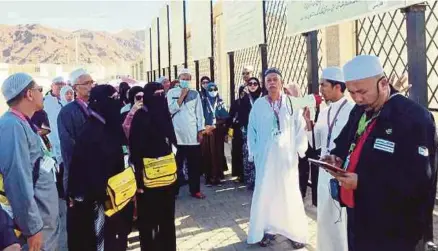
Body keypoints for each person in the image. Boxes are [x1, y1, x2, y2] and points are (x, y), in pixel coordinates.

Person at [323, 55, 437, 251]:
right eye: (351, 92)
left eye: (362, 91)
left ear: (383, 83)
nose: (357, 98)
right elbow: (344, 143)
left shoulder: (414, 118)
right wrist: (336, 158)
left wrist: (363, 182)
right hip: (359, 216)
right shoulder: (360, 109)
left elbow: (419, 180)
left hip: (396, 229)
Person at [246, 68, 308, 249]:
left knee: (289, 193)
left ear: (281, 82)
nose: (272, 83)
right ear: (265, 84)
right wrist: (254, 152)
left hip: (287, 160)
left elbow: (300, 127)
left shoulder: (291, 103)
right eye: (268, 80)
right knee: (266, 193)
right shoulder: (258, 105)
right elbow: (252, 130)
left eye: (275, 79)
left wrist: (299, 149)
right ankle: (265, 230)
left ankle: (294, 232)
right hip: (265, 159)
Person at [0, 73, 60, 251]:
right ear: (29, 94)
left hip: (44, 222)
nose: (42, 93)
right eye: (39, 90)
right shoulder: (12, 126)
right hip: (35, 228)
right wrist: (32, 228)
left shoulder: (23, 123)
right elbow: (18, 180)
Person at [67, 84, 130, 251]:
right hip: (97, 203)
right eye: (114, 99)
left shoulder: (110, 127)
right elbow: (83, 171)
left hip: (113, 198)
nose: (118, 103)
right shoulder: (91, 132)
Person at [303, 67, 354, 251]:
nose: (321, 89)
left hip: (343, 172)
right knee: (324, 216)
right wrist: (308, 123)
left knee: (342, 219)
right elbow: (316, 143)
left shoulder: (352, 110)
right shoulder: (324, 112)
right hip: (324, 173)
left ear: (337, 86)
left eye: (324, 85)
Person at [129, 82, 177, 251]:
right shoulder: (140, 117)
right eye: (155, 94)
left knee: (166, 220)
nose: (159, 97)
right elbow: (135, 150)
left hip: (167, 179)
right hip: (147, 180)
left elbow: (173, 142)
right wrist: (138, 182)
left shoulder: (164, 114)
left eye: (161, 93)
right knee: (149, 222)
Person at [167, 69, 206, 199]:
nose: (186, 81)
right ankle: (174, 191)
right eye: (183, 78)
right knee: (176, 166)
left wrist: (200, 130)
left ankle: (195, 190)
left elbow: (199, 114)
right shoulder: (172, 92)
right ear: (179, 79)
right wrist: (182, 96)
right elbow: (170, 110)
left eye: (188, 78)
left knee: (194, 165)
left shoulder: (195, 94)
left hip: (192, 135)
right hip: (177, 136)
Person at [201, 82, 229, 186]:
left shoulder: (220, 102)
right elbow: (199, 116)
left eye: (214, 89)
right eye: (210, 90)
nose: (213, 92)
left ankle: (217, 178)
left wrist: (216, 125)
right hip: (206, 132)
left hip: (217, 132)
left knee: (217, 154)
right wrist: (206, 127)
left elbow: (225, 117)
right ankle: (208, 178)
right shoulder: (203, 102)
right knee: (207, 154)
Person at [239, 77, 263, 190]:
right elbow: (241, 114)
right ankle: (250, 181)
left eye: (255, 83)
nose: (253, 86)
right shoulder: (244, 99)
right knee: (249, 155)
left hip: (261, 130)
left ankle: (259, 180)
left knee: (260, 155)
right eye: (250, 84)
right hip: (248, 131)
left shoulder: (263, 98)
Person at [227, 86, 246, 183]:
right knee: (237, 152)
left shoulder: (251, 102)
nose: (244, 95)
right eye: (242, 93)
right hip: (237, 130)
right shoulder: (236, 102)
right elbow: (230, 116)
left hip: (248, 130)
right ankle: (239, 174)